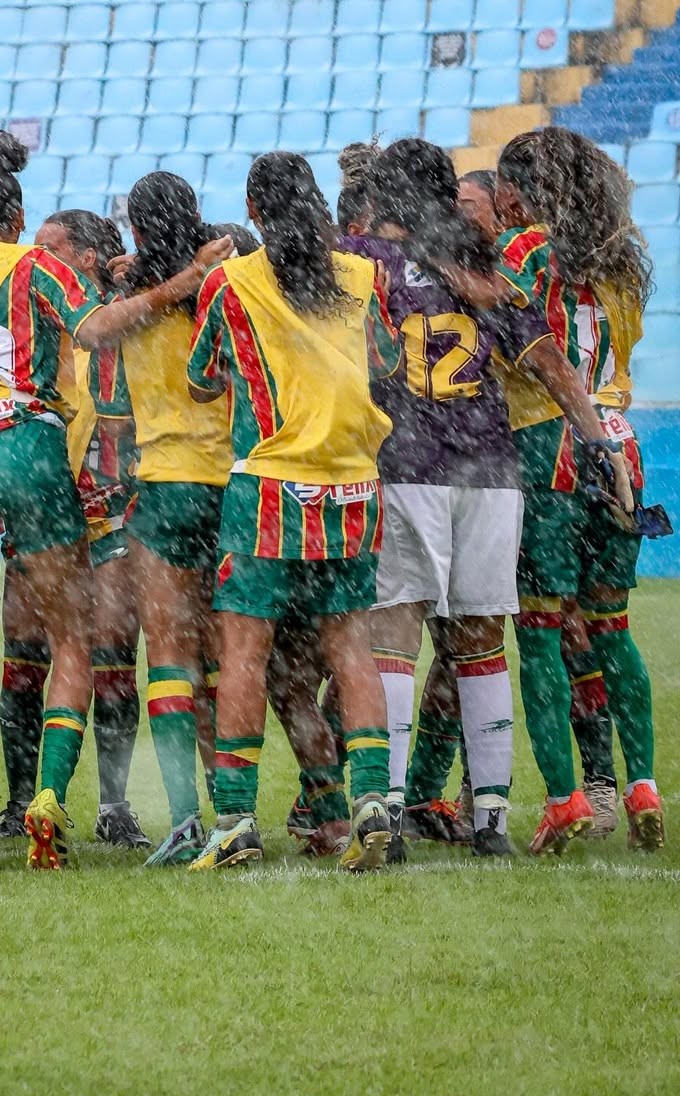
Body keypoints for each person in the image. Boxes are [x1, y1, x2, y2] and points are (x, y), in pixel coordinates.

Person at [0, 133, 231, 870]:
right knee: (75, 640)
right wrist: (181, 280)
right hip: (29, 447)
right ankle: (47, 799)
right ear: (16, 217)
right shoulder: (37, 268)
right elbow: (97, 330)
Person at [361, 137, 633, 859]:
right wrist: (599, 445)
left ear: (383, 195)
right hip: (489, 469)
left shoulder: (362, 264)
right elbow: (548, 362)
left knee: (394, 641)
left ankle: (386, 815)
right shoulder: (484, 269)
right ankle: (489, 823)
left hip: (407, 462)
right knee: (481, 645)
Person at [185, 150, 403, 872]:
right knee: (350, 648)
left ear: (253, 210)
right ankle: (373, 804)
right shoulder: (362, 275)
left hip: (270, 489)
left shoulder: (232, 282)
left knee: (244, 654)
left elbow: (200, 380)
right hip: (351, 487)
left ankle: (237, 822)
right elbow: (388, 363)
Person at [495, 126, 662, 851]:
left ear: (518, 189)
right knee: (613, 629)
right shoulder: (621, 262)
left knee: (539, 631)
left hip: (550, 445)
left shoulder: (525, 253)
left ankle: (564, 798)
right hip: (620, 447)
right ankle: (642, 788)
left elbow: (515, 343)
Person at [0, 209, 149, 849]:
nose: (36, 258)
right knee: (24, 652)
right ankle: (22, 801)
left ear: (84, 257)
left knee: (111, 653)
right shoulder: (35, 311)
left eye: (49, 248)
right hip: (42, 504)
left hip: (111, 508)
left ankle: (115, 805)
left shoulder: (123, 312)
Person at [97, 173, 235, 867]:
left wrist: (157, 277)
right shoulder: (228, 282)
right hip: (235, 489)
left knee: (171, 662)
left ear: (139, 228)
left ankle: (185, 819)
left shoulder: (135, 300)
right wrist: (197, 270)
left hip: (168, 488)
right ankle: (236, 813)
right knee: (229, 661)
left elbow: (90, 334)